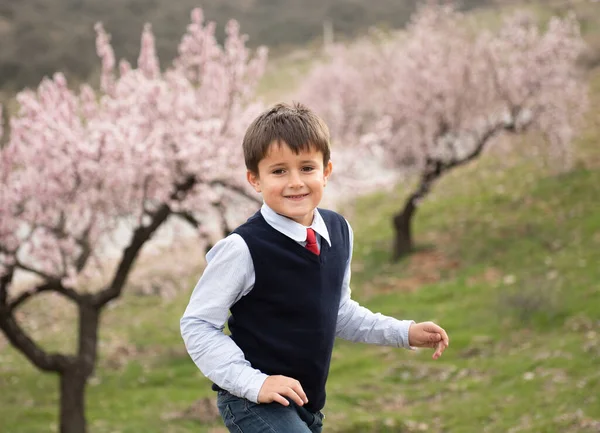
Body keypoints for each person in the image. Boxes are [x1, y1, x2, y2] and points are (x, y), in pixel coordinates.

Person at [180, 102, 449, 433]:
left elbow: (338, 312)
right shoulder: (242, 249)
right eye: (279, 171)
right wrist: (254, 383)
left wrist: (403, 332)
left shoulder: (339, 231)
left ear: (326, 171)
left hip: (307, 404)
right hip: (253, 401)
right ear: (255, 180)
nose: (295, 182)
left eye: (307, 168)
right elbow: (197, 324)